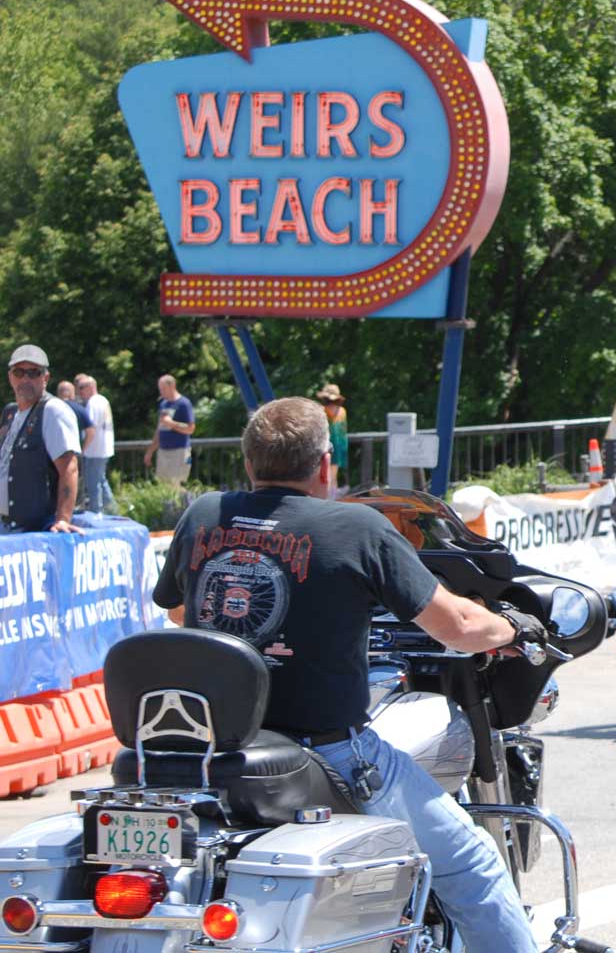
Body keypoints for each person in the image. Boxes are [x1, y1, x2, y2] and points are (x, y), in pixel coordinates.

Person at [150, 397, 540, 949]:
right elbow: (456, 626)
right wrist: (513, 629)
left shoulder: (203, 515)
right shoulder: (356, 526)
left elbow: (178, 611)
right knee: (471, 864)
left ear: (248, 464)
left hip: (210, 749)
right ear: (324, 466)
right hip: (326, 753)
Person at [0, 345, 83, 534]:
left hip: (32, 531)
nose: (25, 379)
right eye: (19, 372)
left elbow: (69, 467)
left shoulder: (52, 410)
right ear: (10, 376)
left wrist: (63, 519)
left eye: (33, 373)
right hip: (6, 525)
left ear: (45, 378)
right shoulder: (10, 412)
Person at [74, 374, 115, 515]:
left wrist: (82, 449)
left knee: (93, 484)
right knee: (101, 480)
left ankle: (96, 514)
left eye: (81, 388)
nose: (79, 392)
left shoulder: (93, 403)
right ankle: (112, 511)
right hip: (104, 448)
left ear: (91, 386)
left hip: (95, 450)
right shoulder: (103, 400)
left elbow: (90, 430)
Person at [145, 374, 195, 485]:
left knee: (176, 486)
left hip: (179, 452)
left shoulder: (184, 404)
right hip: (163, 451)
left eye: (163, 389)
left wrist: (171, 424)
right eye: (160, 389)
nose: (161, 392)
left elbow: (190, 429)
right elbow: (159, 430)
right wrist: (150, 451)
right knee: (163, 487)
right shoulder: (163, 404)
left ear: (172, 386)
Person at [54, 381, 95, 471]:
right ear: (72, 393)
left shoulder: (50, 409)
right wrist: (83, 450)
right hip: (74, 453)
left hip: (53, 453)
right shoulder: (79, 409)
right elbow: (91, 431)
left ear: (58, 393)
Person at [316, 384, 349, 488]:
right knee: (333, 476)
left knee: (325, 476)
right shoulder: (343, 411)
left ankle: (329, 497)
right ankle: (333, 496)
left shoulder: (322, 411)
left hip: (326, 446)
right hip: (340, 447)